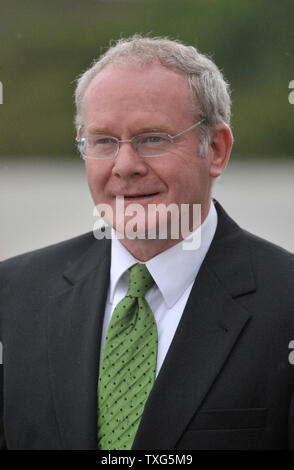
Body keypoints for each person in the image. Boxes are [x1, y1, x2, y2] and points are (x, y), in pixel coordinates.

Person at [0, 35, 294, 451]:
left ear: (216, 150)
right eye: (103, 141)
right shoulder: (12, 296)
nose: (125, 166)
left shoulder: (286, 303)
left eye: (153, 139)